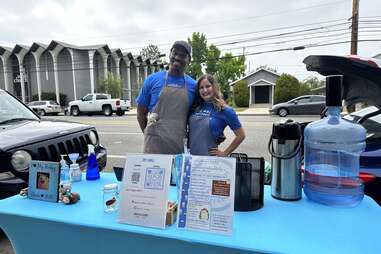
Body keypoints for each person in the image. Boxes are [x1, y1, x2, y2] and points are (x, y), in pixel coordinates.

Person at [136, 41, 196, 154]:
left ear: (189, 60)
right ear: (170, 55)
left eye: (183, 55)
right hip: (153, 148)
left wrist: (217, 131)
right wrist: (149, 133)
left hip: (179, 149)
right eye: (175, 53)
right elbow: (140, 113)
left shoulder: (194, 86)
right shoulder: (152, 80)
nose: (177, 57)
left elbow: (200, 116)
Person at [188, 74, 245, 156]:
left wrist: (225, 153)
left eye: (208, 86)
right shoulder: (195, 107)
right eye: (201, 87)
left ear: (214, 87)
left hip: (209, 160)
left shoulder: (225, 110)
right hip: (190, 158)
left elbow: (241, 135)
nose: (204, 90)